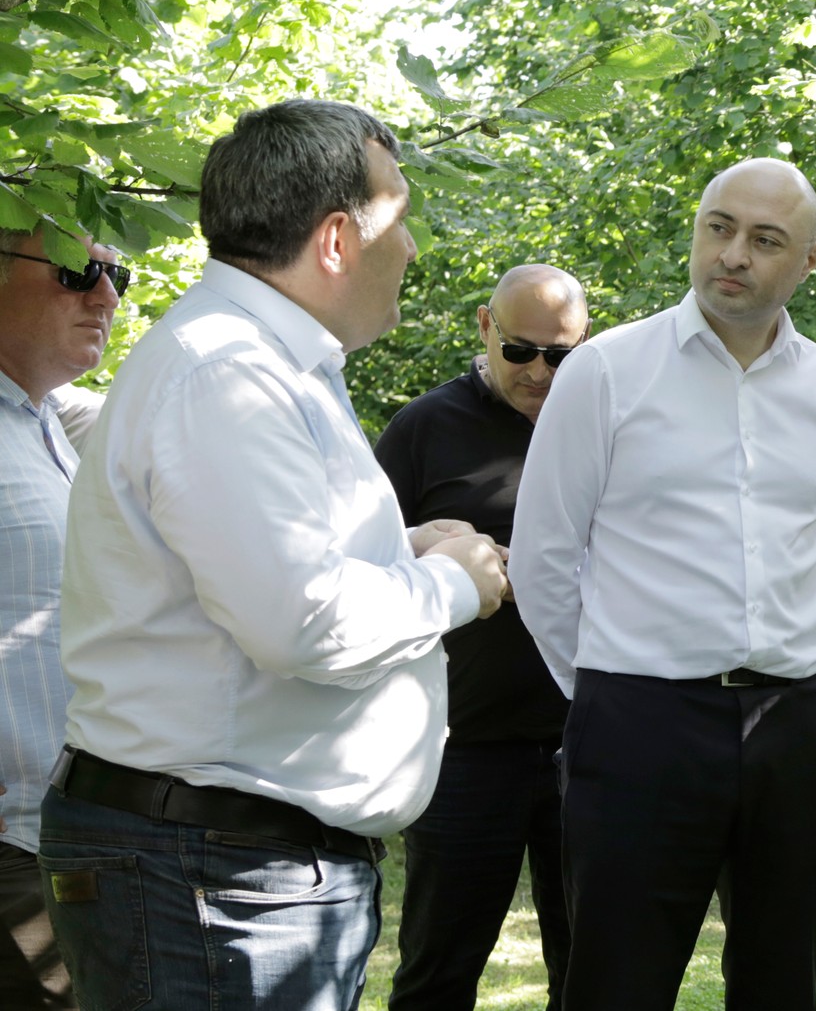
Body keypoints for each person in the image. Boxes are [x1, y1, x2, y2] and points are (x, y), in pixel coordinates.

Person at [42, 99, 509, 1011]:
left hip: (227, 868)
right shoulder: (229, 371)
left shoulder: (256, 361)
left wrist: (402, 547)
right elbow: (303, 621)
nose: (412, 247)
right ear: (336, 239)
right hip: (211, 873)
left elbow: (264, 566)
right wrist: (454, 583)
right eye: (400, 218)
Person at [512, 158, 816, 1011]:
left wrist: (792, 659)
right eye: (719, 227)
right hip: (638, 722)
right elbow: (543, 557)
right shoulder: (605, 371)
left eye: (765, 239)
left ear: (809, 260)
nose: (733, 254)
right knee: (617, 984)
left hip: (792, 723)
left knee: (783, 982)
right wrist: (606, 688)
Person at [376, 264, 591, 1011]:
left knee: (592, 970)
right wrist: (445, 561)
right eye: (520, 350)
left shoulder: (606, 425)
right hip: (461, 746)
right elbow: (361, 565)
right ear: (485, 326)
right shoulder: (424, 428)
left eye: (560, 356)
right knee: (438, 969)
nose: (539, 372)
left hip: (591, 737)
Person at [0, 226, 124, 1010]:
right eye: (78, 271)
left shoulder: (44, 418)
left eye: (117, 275)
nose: (106, 297)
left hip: (64, 839)